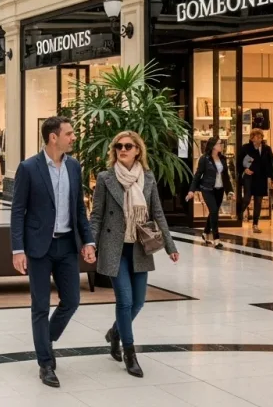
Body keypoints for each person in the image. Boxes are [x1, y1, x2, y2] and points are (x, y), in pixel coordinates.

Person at [10, 116, 96, 389]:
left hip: (67, 244)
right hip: (38, 247)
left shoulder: (74, 166)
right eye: (69, 133)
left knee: (72, 300)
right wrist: (18, 249)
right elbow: (17, 211)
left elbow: (79, 208)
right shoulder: (28, 168)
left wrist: (88, 241)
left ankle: (44, 340)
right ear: (53, 137)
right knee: (40, 305)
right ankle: (45, 363)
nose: (74, 137)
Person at [90, 130, 179, 378]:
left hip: (140, 247)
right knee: (125, 301)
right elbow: (96, 216)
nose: (123, 150)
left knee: (139, 302)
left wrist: (170, 246)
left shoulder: (147, 178)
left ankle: (115, 332)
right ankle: (129, 353)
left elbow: (157, 213)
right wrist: (90, 244)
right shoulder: (106, 178)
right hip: (114, 247)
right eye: (118, 146)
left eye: (128, 146)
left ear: (138, 150)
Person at [186, 137, 233, 248]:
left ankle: (205, 232)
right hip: (207, 189)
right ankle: (216, 239)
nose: (221, 145)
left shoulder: (222, 158)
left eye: (221, 143)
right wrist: (191, 190)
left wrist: (230, 190)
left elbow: (226, 176)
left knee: (213, 212)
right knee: (214, 211)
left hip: (219, 189)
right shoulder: (204, 159)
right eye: (219, 144)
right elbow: (197, 175)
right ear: (213, 146)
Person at [237, 129, 273, 233]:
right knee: (247, 198)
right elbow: (239, 162)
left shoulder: (266, 149)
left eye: (260, 137)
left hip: (261, 177)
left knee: (258, 201)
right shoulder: (246, 148)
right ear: (252, 138)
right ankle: (238, 214)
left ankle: (255, 224)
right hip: (249, 177)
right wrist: (244, 169)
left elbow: (272, 163)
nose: (259, 139)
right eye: (256, 137)